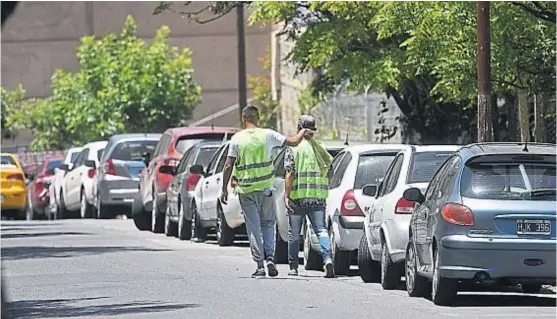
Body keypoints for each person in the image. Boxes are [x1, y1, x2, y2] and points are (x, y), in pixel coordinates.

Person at [220, 105, 310, 278]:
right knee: (268, 224)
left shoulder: (237, 139)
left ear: (243, 118)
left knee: (253, 227)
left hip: (246, 190)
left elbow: (228, 165)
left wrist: (224, 188)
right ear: (258, 118)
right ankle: (270, 257)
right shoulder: (268, 135)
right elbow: (293, 142)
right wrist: (303, 130)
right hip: (266, 189)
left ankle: (260, 266)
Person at [283, 115, 335, 278]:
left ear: (299, 128)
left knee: (294, 232)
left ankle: (293, 267)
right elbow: (330, 169)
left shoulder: (293, 148)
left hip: (298, 198)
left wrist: (286, 195)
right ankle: (327, 260)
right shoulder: (320, 148)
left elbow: (290, 173)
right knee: (321, 230)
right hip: (317, 197)